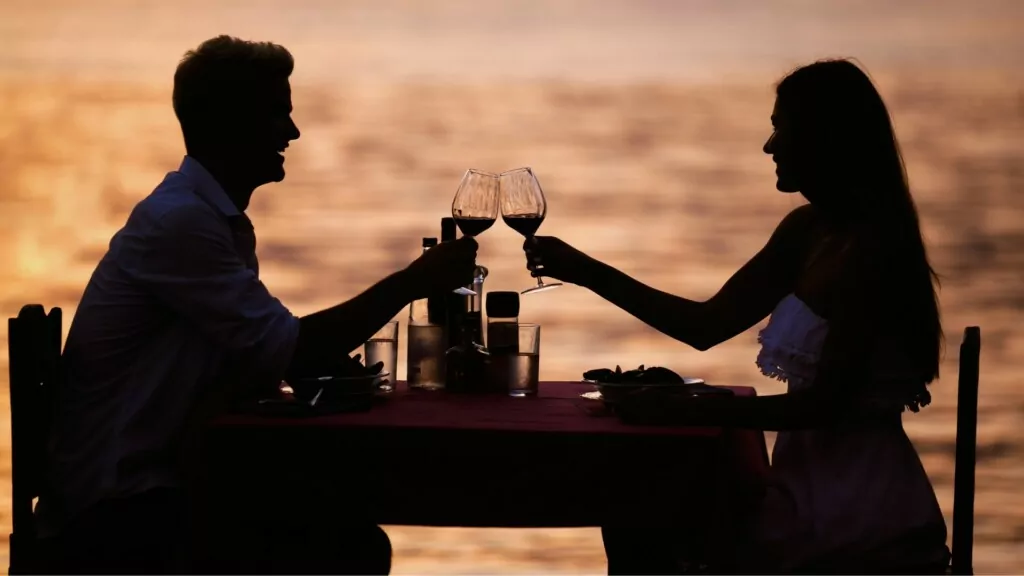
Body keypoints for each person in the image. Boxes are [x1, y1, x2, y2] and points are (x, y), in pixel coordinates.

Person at [34, 35, 478, 575]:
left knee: (344, 522)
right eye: (277, 115)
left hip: (161, 489)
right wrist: (411, 283)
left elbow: (261, 357)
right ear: (229, 123)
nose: (291, 132)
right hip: (117, 515)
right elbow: (291, 349)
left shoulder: (208, 219)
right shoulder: (181, 223)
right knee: (353, 548)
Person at [524, 59, 950, 574]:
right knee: (635, 511)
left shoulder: (872, 252)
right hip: (799, 489)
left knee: (641, 519)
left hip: (852, 510)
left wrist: (700, 409)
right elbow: (705, 327)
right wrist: (586, 271)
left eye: (780, 127)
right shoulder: (807, 233)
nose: (769, 146)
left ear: (824, 137)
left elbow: (825, 406)